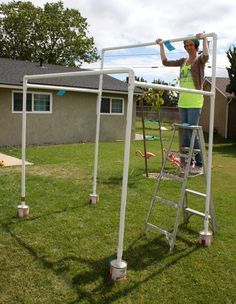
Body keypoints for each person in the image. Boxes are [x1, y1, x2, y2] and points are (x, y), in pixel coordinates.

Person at [156, 33, 209, 174]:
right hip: (183, 101)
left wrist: (204, 39)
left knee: (192, 132)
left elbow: (206, 56)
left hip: (195, 100)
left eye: (191, 45)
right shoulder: (183, 61)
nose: (188, 47)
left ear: (196, 46)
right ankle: (187, 162)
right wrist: (161, 46)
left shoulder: (199, 60)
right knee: (184, 133)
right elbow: (165, 62)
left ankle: (199, 163)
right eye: (186, 45)